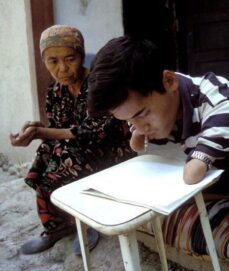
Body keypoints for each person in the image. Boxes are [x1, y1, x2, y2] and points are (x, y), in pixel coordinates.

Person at [87, 37, 229, 225]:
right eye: (128, 120)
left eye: (141, 115)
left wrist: (195, 164)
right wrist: (138, 128)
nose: (138, 126)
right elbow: (137, 136)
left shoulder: (223, 106)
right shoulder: (165, 98)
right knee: (179, 199)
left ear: (169, 81)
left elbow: (192, 174)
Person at [9, 26, 136, 254]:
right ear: (44, 62)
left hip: (112, 152)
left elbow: (93, 132)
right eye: (53, 61)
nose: (62, 68)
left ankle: (87, 222)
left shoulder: (99, 84)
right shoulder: (55, 91)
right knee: (45, 155)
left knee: (63, 155)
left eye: (70, 58)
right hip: (79, 150)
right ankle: (56, 226)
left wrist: (43, 133)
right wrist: (35, 130)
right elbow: (59, 130)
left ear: (81, 55)